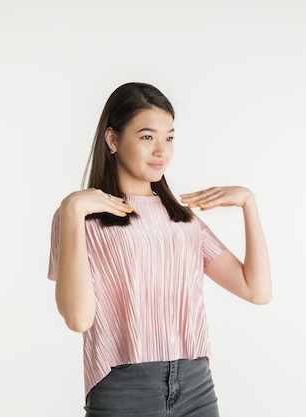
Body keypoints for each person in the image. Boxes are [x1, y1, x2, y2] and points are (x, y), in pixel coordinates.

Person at [47, 81, 272, 417]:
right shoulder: (80, 216)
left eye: (169, 137)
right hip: (123, 387)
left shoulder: (183, 220)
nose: (161, 151)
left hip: (196, 384)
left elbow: (258, 290)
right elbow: (78, 319)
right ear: (112, 139)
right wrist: (71, 211)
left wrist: (249, 205)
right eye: (147, 136)